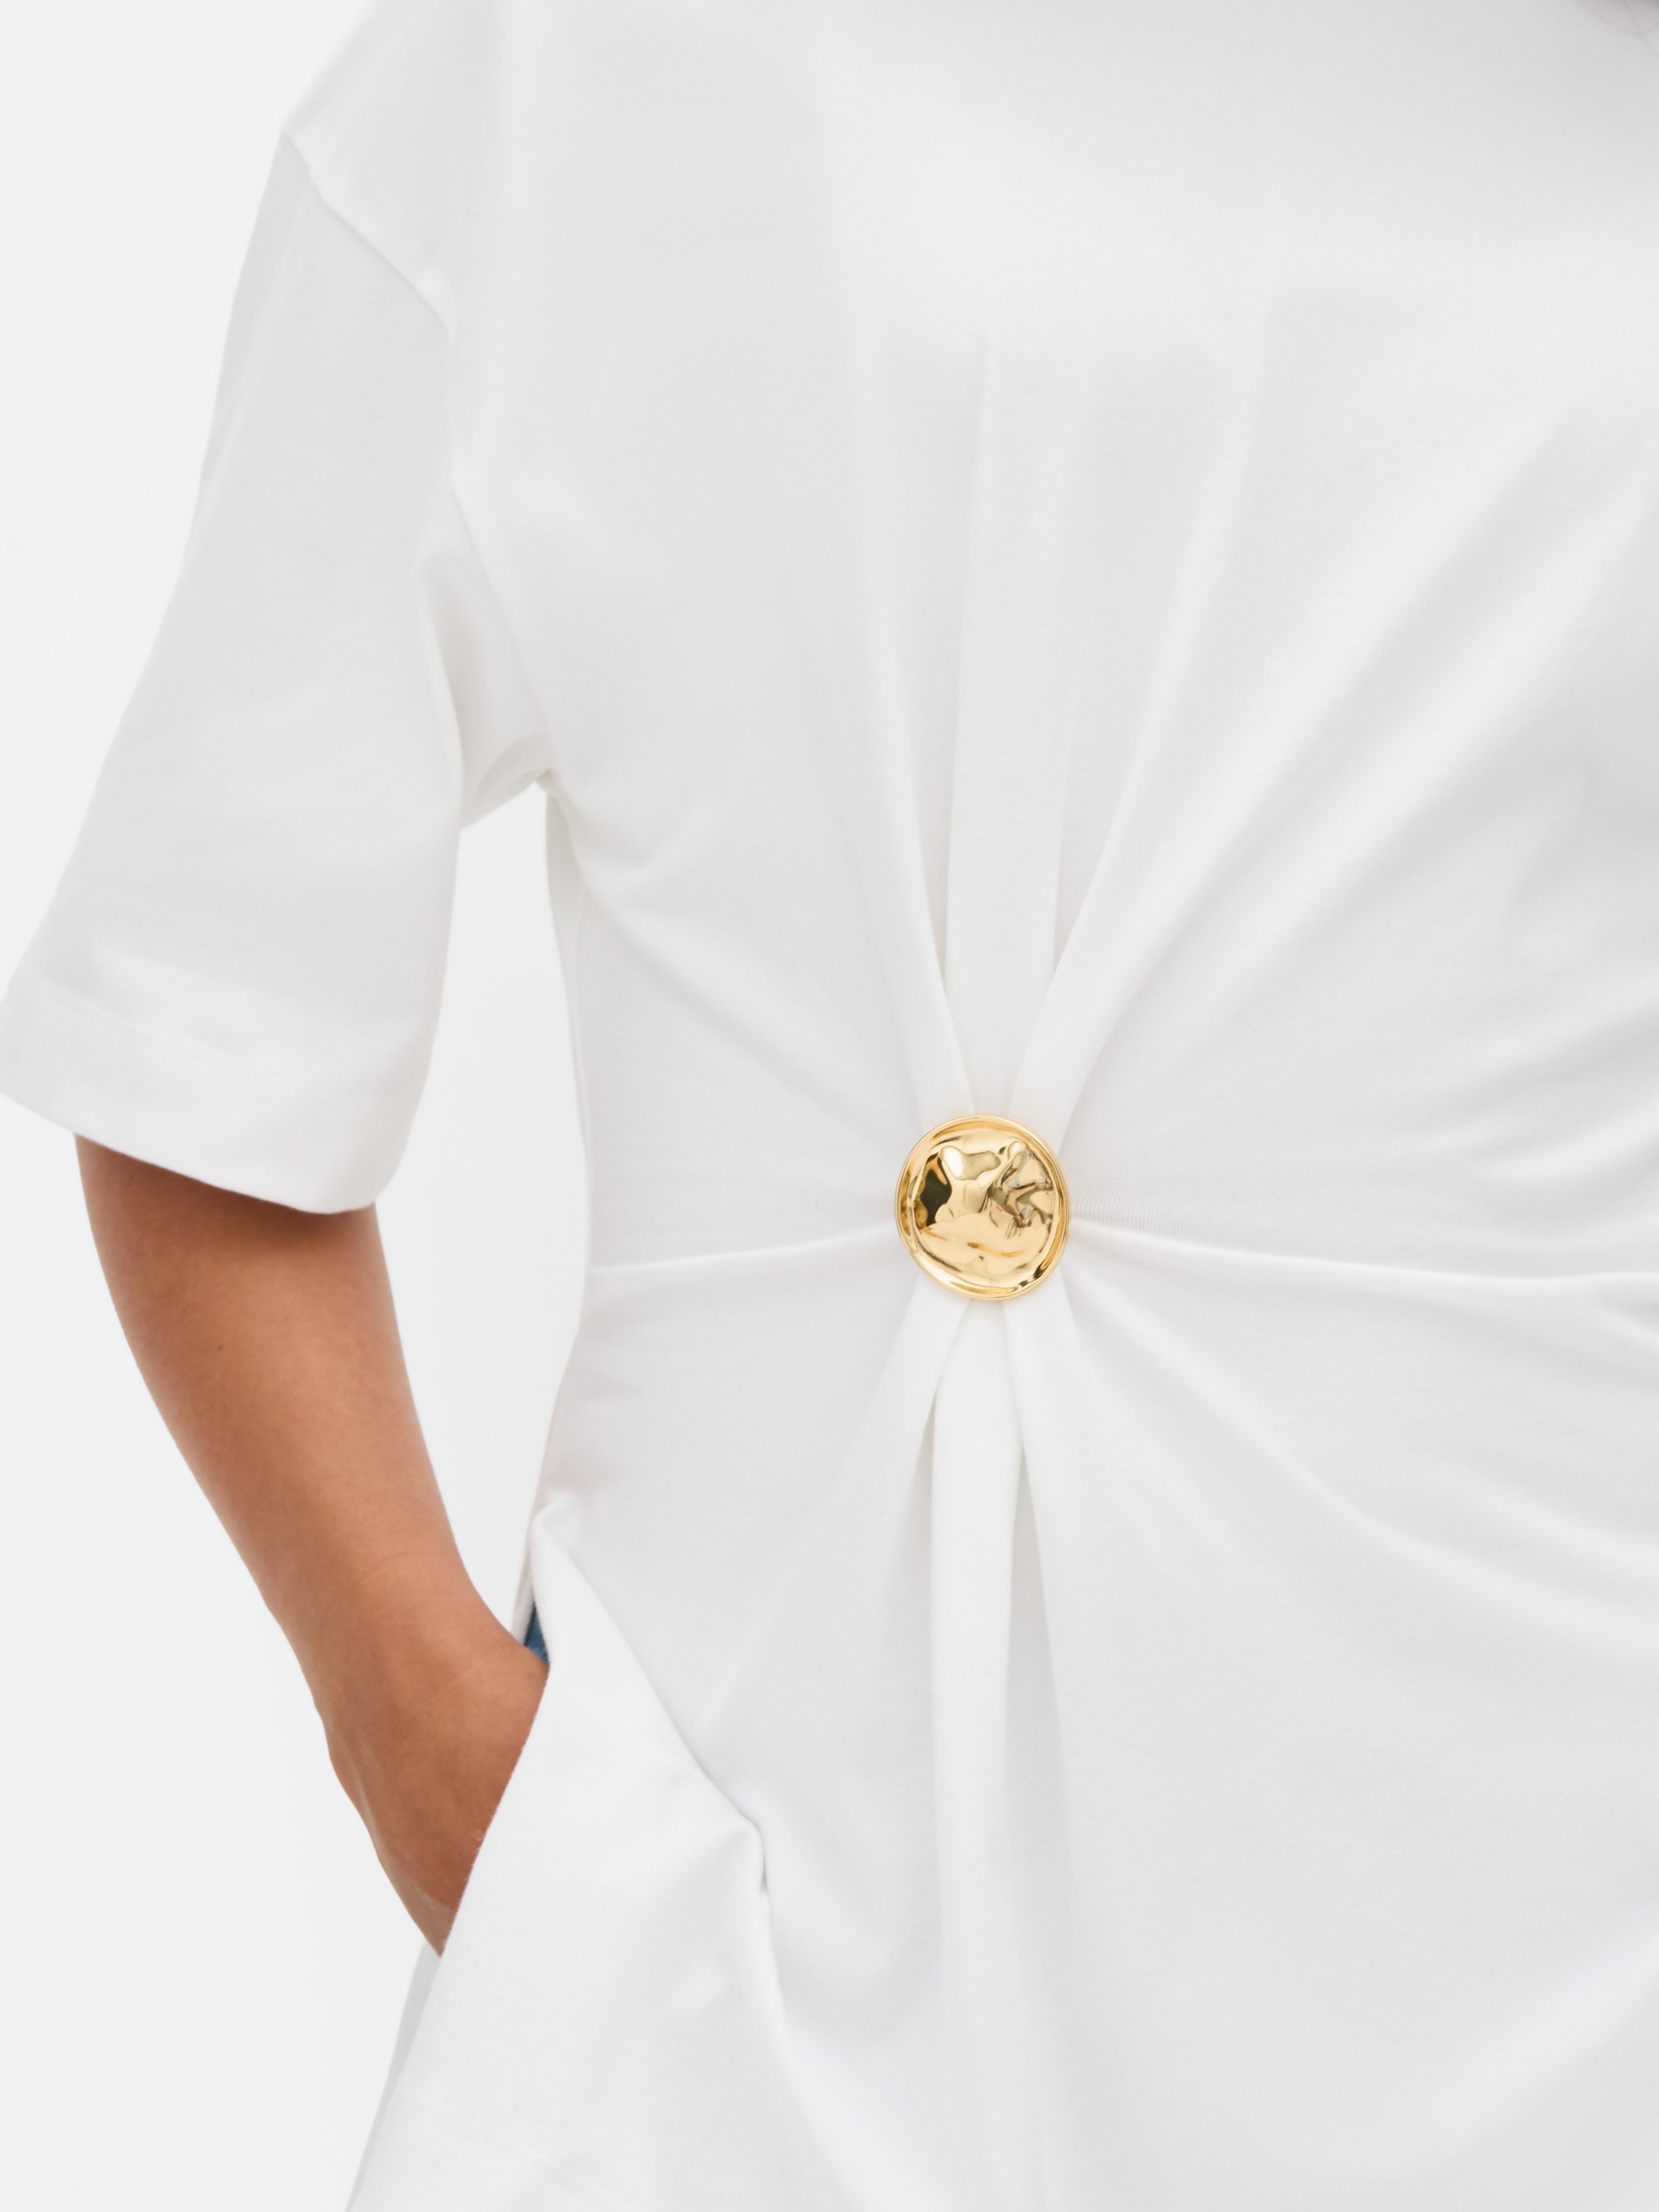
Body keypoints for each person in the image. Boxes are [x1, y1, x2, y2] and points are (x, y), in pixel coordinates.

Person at [6, 0, 1659, 2205]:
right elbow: (204, 1028)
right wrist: (439, 1753)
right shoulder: (576, 70)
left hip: (1570, 1906)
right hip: (785, 1910)